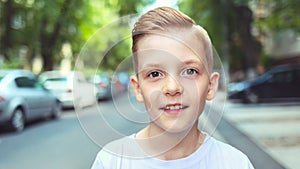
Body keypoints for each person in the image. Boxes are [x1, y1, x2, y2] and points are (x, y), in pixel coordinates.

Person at [91, 7, 254, 169]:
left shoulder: (235, 163)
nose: (172, 87)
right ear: (138, 89)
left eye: (190, 71)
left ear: (211, 86)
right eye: (155, 74)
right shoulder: (111, 162)